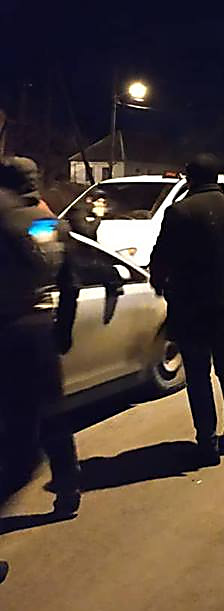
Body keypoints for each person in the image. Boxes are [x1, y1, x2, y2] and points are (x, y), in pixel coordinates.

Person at [149, 154, 224, 466]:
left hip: (191, 306)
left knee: (198, 375)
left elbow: (161, 256)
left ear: (189, 178)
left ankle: (206, 443)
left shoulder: (179, 212)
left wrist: (159, 284)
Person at [0, 157, 81, 516]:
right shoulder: (52, 223)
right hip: (42, 331)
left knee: (17, 424)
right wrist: (62, 330)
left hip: (10, 329)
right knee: (54, 414)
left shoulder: (5, 222)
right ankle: (68, 487)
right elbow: (71, 284)